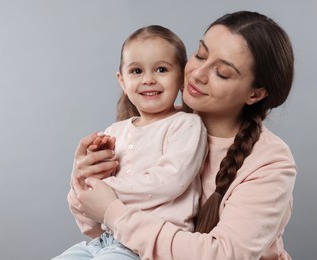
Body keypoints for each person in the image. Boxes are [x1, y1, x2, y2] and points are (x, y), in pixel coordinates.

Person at [68, 10, 296, 260]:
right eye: (200, 55)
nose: (198, 74)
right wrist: (85, 178)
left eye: (222, 73)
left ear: (255, 94)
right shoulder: (156, 125)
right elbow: (94, 228)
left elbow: (223, 255)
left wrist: (113, 209)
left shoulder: (270, 162)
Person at [53, 25, 207, 259]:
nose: (148, 79)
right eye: (136, 71)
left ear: (182, 79)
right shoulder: (116, 131)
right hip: (107, 240)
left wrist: (106, 191)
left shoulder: (186, 125)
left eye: (161, 69)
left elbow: (170, 180)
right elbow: (90, 216)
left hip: (149, 246)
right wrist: (91, 177)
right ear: (122, 81)